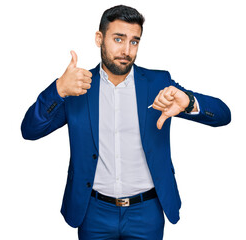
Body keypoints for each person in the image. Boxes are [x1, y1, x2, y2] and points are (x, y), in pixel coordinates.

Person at [21, 5, 231, 240]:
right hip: (93, 212)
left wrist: (190, 102)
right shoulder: (77, 88)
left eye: (134, 41)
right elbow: (30, 130)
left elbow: (223, 115)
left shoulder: (157, 83)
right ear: (99, 39)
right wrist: (58, 89)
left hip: (147, 211)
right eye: (118, 39)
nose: (126, 50)